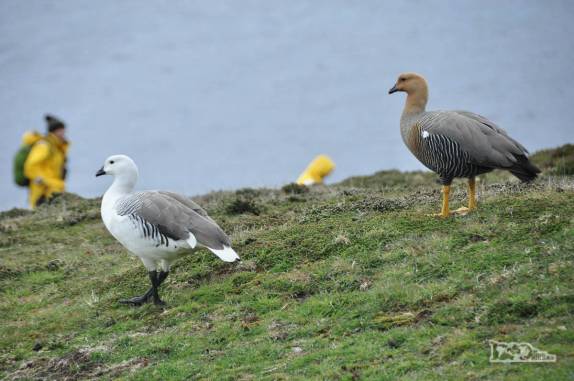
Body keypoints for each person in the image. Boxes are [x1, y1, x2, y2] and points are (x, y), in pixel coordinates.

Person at [24, 114, 70, 208]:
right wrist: (42, 179)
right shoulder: (44, 146)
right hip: (43, 190)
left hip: (54, 187)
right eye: (60, 130)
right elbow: (30, 166)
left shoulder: (57, 147)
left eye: (63, 130)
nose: (63, 133)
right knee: (42, 217)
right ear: (54, 131)